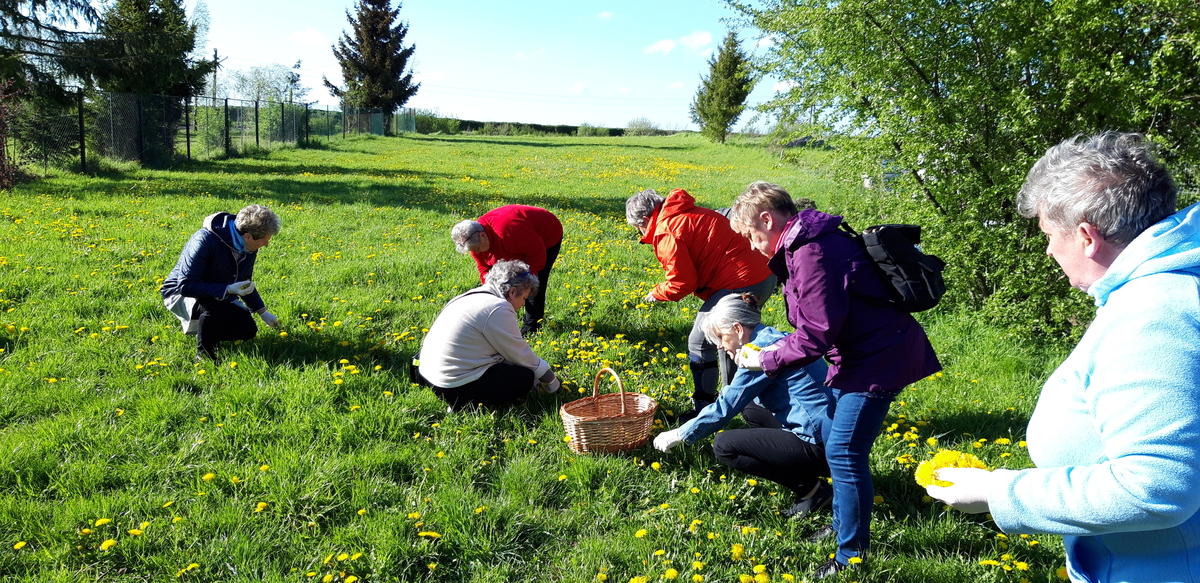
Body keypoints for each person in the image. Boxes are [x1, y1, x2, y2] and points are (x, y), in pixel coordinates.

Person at [926, 132, 1200, 583]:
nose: (1050, 250)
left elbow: (1157, 486)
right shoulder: (1169, 287)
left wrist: (998, 491)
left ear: (1087, 236)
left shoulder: (1155, 314)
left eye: (1050, 235)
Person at [729, 181, 941, 579]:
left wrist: (766, 359)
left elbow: (817, 333)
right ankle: (844, 527)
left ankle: (851, 558)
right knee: (843, 451)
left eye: (751, 235)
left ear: (766, 219)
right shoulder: (807, 244)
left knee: (844, 453)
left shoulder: (812, 250)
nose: (754, 245)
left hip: (879, 359)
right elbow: (815, 322)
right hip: (858, 357)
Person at [653, 293, 835, 519]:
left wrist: (681, 434)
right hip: (831, 432)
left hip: (819, 444)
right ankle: (801, 467)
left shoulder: (759, 353)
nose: (720, 345)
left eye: (721, 336)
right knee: (749, 406)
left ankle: (812, 491)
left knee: (724, 445)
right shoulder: (773, 337)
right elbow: (739, 398)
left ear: (738, 330)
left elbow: (725, 407)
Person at [625, 188, 777, 419]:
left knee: (700, 342)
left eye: (640, 229)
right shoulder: (687, 212)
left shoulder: (667, 230)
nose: (642, 233)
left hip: (740, 282)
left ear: (646, 219)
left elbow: (682, 282)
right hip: (763, 275)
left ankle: (706, 408)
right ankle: (738, 402)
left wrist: (656, 293)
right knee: (731, 339)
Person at [418, 260, 561, 410]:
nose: (523, 304)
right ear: (512, 292)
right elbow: (519, 353)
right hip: (450, 385)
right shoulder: (498, 308)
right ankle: (463, 404)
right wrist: (549, 378)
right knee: (524, 379)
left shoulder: (473, 295)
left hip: (428, 375)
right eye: (524, 298)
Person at [161, 204, 281, 360]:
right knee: (218, 307)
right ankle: (204, 355)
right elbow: (185, 285)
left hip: (219, 291)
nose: (266, 244)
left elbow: (244, 281)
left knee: (247, 330)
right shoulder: (205, 240)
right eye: (265, 240)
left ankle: (206, 330)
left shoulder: (249, 245)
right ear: (248, 236)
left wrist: (262, 311)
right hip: (179, 293)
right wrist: (228, 289)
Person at [451, 205, 563, 335]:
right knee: (504, 285)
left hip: (547, 233)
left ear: (483, 235)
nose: (476, 253)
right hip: (518, 240)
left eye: (477, 249)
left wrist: (525, 283)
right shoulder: (475, 242)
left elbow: (537, 257)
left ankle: (532, 326)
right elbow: (484, 269)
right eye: (473, 251)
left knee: (534, 283)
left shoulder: (509, 233)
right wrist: (492, 292)